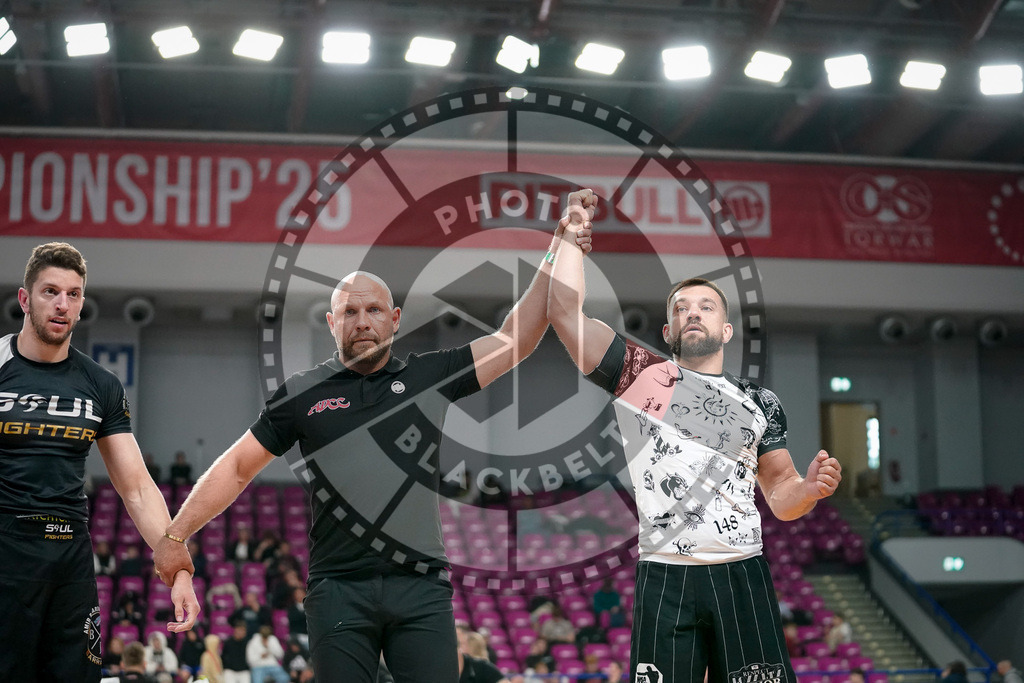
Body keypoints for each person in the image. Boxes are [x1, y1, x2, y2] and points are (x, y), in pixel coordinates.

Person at [153, 218, 593, 682]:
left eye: (374, 310)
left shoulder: (429, 376)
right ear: (331, 322)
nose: (362, 322)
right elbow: (238, 467)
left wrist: (558, 247)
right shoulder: (303, 393)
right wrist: (175, 535)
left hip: (420, 587)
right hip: (338, 589)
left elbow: (515, 339)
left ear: (396, 317)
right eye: (349, 312)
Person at [546, 190, 843, 683]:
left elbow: (782, 498)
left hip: (742, 571)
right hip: (665, 574)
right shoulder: (643, 380)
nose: (694, 312)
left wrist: (810, 489)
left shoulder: (759, 402)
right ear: (668, 329)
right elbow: (565, 316)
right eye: (683, 307)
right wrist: (570, 242)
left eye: (707, 306)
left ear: (727, 330)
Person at [0, 240, 198, 683]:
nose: (61, 304)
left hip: (70, 558)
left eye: (73, 294)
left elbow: (137, 487)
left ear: (82, 303)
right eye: (50, 291)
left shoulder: (100, 384)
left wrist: (179, 566)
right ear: (24, 299)